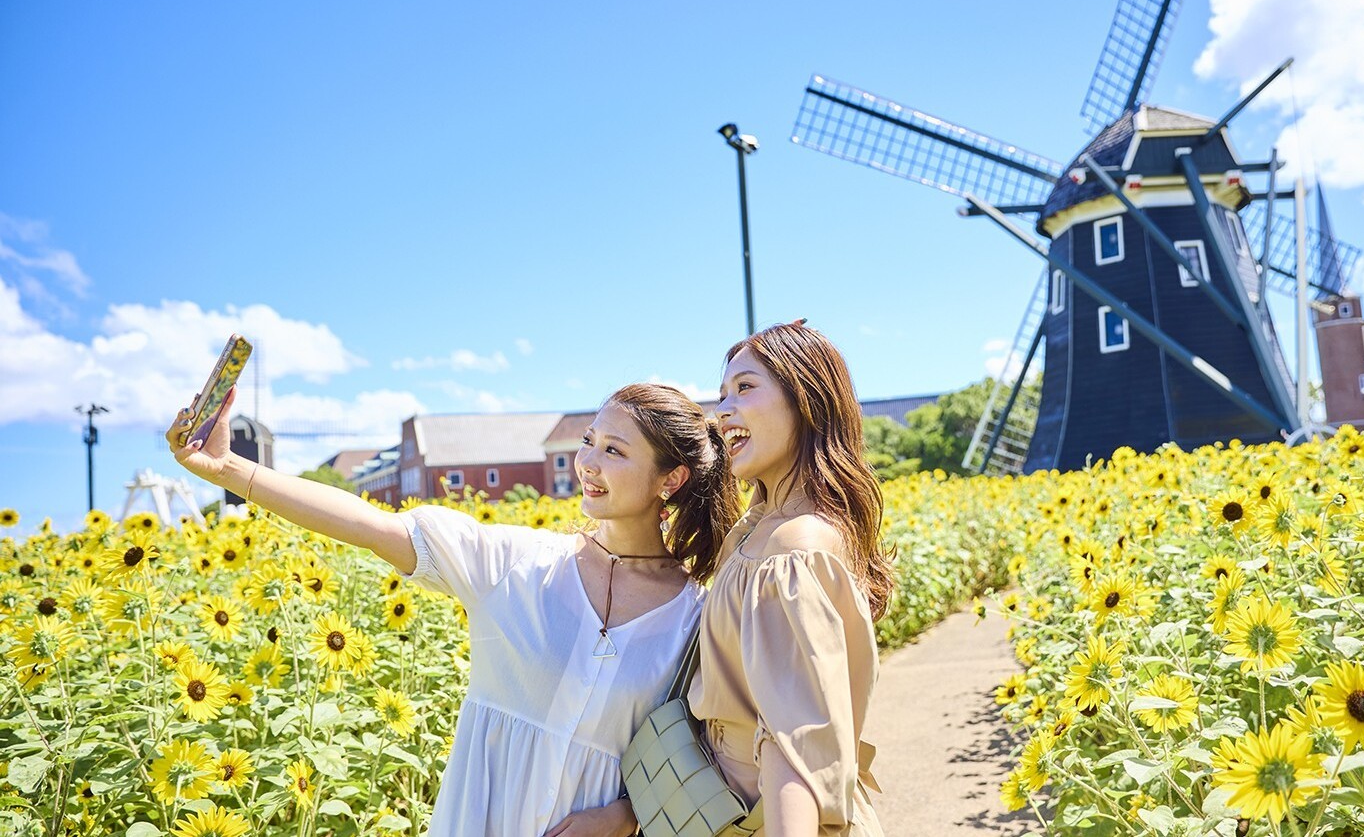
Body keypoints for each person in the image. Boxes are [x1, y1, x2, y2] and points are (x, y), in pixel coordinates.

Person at [168, 382, 739, 837]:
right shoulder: (515, 565)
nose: (588, 461)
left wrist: (625, 814)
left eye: (614, 451)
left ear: (672, 478)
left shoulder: (696, 617)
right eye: (588, 441)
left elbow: (712, 749)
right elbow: (369, 526)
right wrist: (231, 472)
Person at [690, 321, 893, 836]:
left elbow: (792, 741)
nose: (722, 413)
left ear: (806, 399)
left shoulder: (793, 549)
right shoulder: (758, 528)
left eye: (745, 388)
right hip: (728, 810)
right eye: (721, 396)